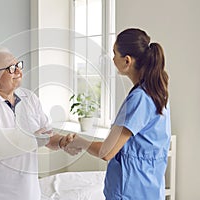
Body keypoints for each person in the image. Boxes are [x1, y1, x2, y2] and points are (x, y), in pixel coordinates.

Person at [61, 28, 171, 199]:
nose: (112, 59)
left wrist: (79, 141)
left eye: (114, 53)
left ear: (127, 61)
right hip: (150, 189)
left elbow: (107, 152)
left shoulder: (139, 99)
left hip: (130, 191)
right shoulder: (158, 93)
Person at [0, 47, 78, 200]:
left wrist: (61, 142)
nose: (18, 71)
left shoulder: (29, 98)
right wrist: (34, 139)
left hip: (28, 192)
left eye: (18, 65)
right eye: (11, 68)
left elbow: (46, 136)